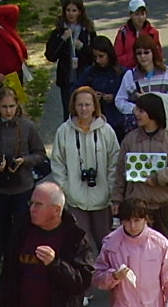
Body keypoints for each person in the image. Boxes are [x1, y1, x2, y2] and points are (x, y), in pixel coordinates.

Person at [0, 86, 45, 269]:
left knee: (22, 221)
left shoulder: (27, 127)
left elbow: (40, 153)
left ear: (17, 105)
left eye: (11, 106)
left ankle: (22, 255)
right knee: (0, 221)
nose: (8, 111)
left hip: (22, 184)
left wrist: (24, 160)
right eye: (4, 107)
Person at [48, 84, 120, 259]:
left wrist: (111, 190)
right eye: (80, 105)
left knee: (106, 243)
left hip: (102, 198)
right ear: (74, 106)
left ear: (95, 106)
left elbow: (115, 162)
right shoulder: (64, 131)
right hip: (76, 198)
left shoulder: (106, 131)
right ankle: (85, 273)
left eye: (88, 104)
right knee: (80, 244)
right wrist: (66, 189)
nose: (84, 109)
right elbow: (57, 163)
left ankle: (108, 273)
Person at [112, 93, 168, 239]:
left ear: (153, 113)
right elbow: (120, 172)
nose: (136, 114)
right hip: (137, 202)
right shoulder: (130, 140)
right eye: (136, 110)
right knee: (137, 241)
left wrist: (158, 178)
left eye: (141, 111)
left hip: (163, 202)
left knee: (162, 239)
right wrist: (117, 199)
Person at [115, 36, 168, 132]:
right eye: (139, 53)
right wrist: (134, 109)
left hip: (163, 125)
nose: (143, 56)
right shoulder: (130, 75)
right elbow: (119, 100)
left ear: (153, 52)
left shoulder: (167, 72)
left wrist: (152, 103)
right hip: (140, 128)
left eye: (146, 52)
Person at [44, 0, 94, 121]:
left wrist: (81, 47)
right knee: (69, 111)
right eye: (68, 10)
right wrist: (62, 39)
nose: (71, 14)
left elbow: (94, 56)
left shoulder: (87, 31)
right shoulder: (58, 31)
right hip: (66, 77)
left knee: (84, 110)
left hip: (83, 75)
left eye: (74, 10)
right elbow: (51, 56)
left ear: (80, 12)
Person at [75, 35, 125, 132]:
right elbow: (75, 90)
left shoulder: (121, 72)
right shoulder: (90, 72)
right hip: (95, 121)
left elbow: (130, 96)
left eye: (101, 56)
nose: (98, 60)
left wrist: (114, 97)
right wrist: (91, 95)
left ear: (109, 54)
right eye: (95, 57)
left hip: (117, 121)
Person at [113, 0, 161, 71]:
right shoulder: (123, 33)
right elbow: (117, 57)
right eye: (137, 14)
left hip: (148, 71)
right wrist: (135, 57)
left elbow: (158, 55)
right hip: (129, 71)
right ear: (131, 15)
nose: (140, 17)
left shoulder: (153, 33)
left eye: (142, 14)